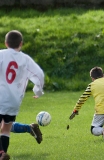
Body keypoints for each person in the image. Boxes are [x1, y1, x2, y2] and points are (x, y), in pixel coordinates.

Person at [0, 30, 44, 160]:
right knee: (6, 129)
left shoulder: (1, 55)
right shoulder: (25, 59)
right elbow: (39, 75)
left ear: (5, 43)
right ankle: (3, 154)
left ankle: (1, 153)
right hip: (14, 100)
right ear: (21, 44)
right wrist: (38, 91)